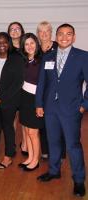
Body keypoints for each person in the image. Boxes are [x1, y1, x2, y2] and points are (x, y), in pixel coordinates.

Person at [36, 23, 88, 197]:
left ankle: (79, 180)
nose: (64, 37)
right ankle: (54, 170)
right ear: (56, 36)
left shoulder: (82, 56)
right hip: (50, 108)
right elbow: (42, 83)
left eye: (68, 34)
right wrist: (39, 104)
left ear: (73, 37)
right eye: (60, 34)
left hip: (72, 109)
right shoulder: (48, 57)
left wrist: (84, 105)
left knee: (73, 145)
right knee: (53, 142)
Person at [0, 32, 24, 169]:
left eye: (4, 42)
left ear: (9, 43)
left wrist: (1, 98)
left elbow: (18, 82)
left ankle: (8, 156)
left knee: (8, 127)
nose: (1, 45)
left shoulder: (17, 58)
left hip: (8, 99)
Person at [36, 21, 67, 161]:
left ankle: (60, 153)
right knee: (42, 123)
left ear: (51, 32)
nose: (44, 34)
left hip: (57, 94)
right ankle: (45, 150)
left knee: (58, 125)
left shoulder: (59, 47)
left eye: (46, 31)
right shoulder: (35, 49)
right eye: (41, 31)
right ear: (38, 34)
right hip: (39, 92)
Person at [18, 33, 44, 171]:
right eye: (26, 44)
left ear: (36, 44)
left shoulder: (42, 61)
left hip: (35, 99)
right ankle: (30, 157)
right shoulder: (23, 61)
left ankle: (35, 160)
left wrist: (40, 103)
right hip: (24, 98)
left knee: (33, 132)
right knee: (27, 130)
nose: (29, 46)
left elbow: (44, 84)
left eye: (32, 43)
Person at [7, 21, 27, 156]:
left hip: (26, 88)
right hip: (11, 88)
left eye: (17, 28)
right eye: (12, 29)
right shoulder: (6, 49)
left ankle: (25, 143)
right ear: (9, 33)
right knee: (12, 118)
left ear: (22, 31)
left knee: (25, 118)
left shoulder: (28, 47)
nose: (15, 31)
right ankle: (12, 143)